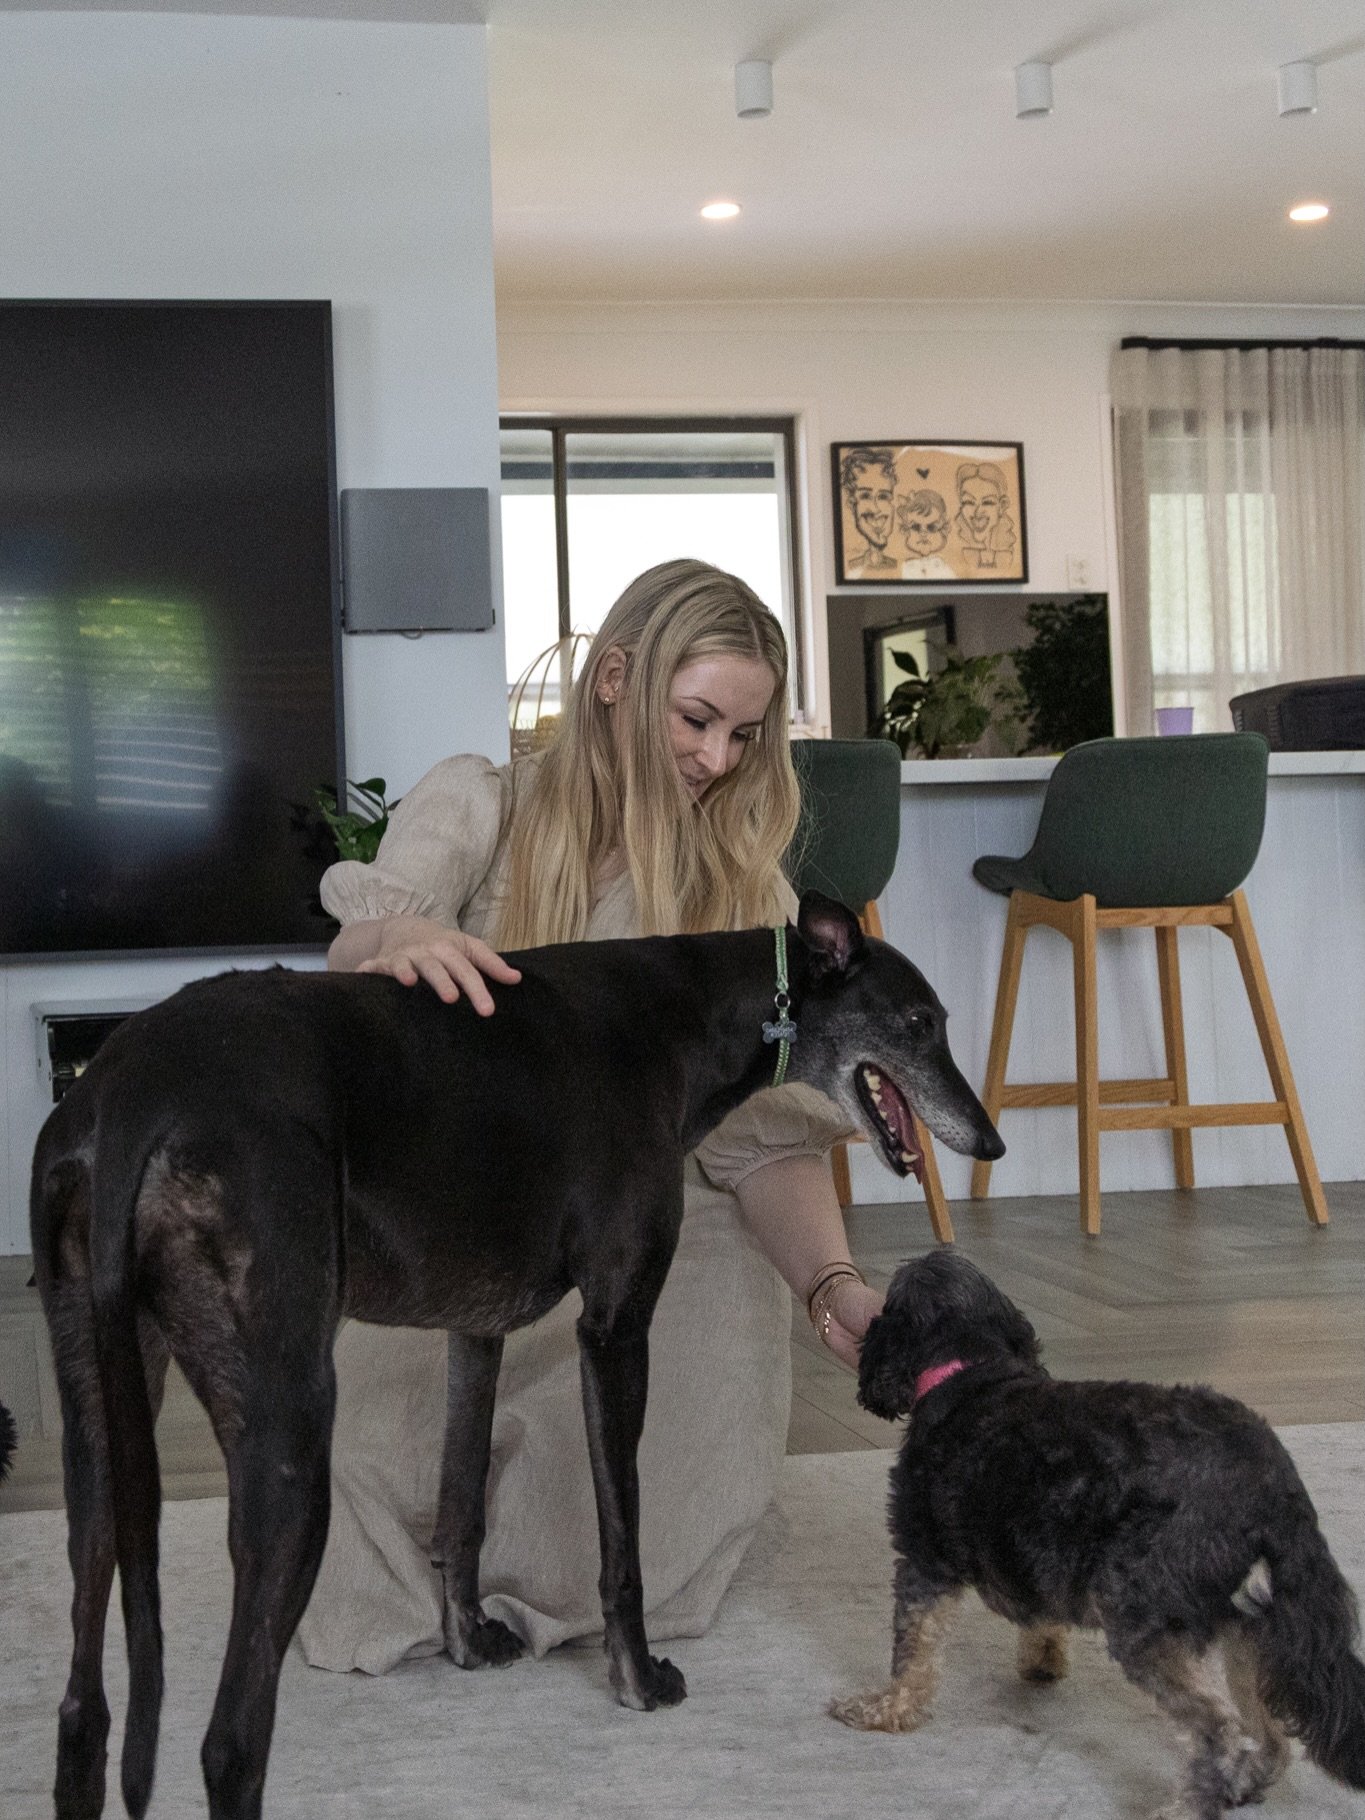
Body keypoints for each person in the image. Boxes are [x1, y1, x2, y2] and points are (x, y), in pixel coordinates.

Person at [298, 558, 884, 1675]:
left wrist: (832, 1282)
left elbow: (765, 1141)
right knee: (354, 1526)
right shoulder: (483, 799)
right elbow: (352, 952)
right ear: (616, 677)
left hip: (649, 1223)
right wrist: (399, 946)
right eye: (698, 718)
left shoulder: (740, 893)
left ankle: (557, 1570)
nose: (719, 759)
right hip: (464, 1217)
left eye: (745, 735)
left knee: (663, 1531)